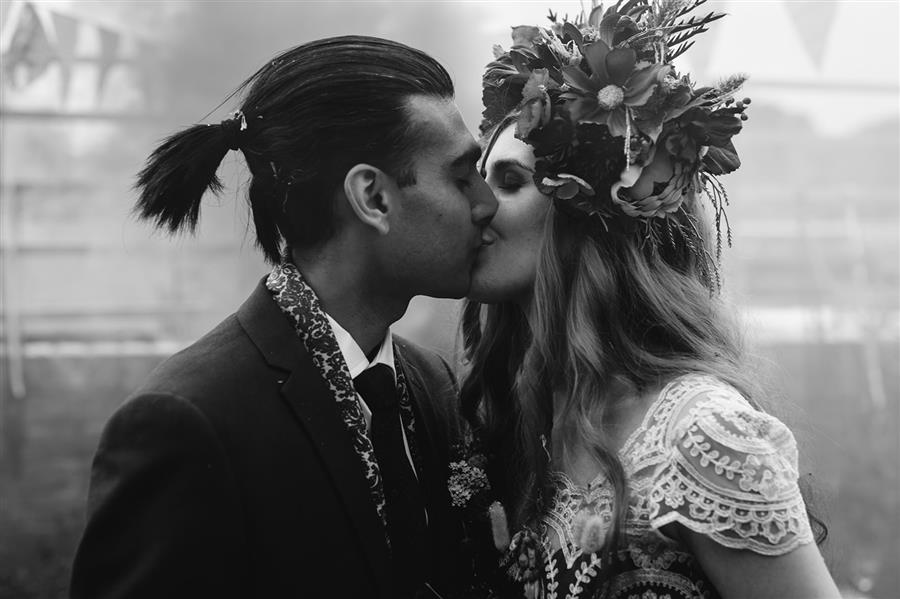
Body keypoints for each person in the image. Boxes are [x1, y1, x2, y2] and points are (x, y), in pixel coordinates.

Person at [70, 36, 497, 599]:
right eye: (463, 177)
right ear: (372, 197)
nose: (486, 203)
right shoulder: (188, 421)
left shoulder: (429, 384)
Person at [460, 4, 842, 598]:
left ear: (590, 216)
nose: (477, 205)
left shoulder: (703, 433)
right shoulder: (537, 415)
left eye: (509, 183)